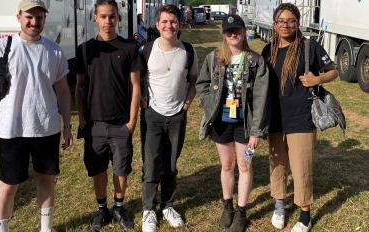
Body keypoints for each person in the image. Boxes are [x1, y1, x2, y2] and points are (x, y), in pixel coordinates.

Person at [0, 0, 73, 231]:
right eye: (29, 16)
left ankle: (46, 228)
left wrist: (67, 125)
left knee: (45, 179)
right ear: (18, 17)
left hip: (46, 127)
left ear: (44, 19)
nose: (34, 22)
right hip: (11, 129)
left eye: (39, 17)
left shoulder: (54, 50)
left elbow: (63, 90)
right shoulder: (0, 47)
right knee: (8, 184)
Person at [261, 3, 338, 232]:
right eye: (281, 21)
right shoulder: (269, 49)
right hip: (274, 119)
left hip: (302, 119)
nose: (286, 25)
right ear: (274, 24)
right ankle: (280, 205)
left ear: (298, 23)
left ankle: (305, 214)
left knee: (301, 166)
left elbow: (332, 70)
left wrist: (317, 80)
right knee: (277, 164)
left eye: (291, 21)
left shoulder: (309, 46)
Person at [196, 15, 269, 232]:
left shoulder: (255, 61)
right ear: (224, 34)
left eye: (237, 30)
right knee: (227, 166)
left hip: (245, 125)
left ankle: (241, 210)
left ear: (244, 31)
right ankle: (227, 205)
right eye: (229, 31)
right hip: (221, 122)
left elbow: (261, 98)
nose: (233, 34)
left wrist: (256, 131)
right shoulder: (214, 58)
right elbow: (202, 85)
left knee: (245, 165)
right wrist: (210, 105)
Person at [74, 0, 142, 230]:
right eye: (103, 16)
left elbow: (136, 86)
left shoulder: (129, 48)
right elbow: (80, 87)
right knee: (98, 169)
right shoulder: (84, 49)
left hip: (121, 123)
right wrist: (83, 120)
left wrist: (131, 121)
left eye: (112, 16)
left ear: (119, 18)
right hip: (94, 124)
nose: (107, 21)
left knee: (121, 168)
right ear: (95, 18)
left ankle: (119, 207)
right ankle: (102, 209)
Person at [139, 5, 198, 232]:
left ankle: (167, 205)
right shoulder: (146, 50)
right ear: (157, 24)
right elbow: (137, 79)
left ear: (179, 24)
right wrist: (142, 101)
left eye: (173, 22)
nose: (169, 26)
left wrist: (188, 101)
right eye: (164, 22)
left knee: (171, 164)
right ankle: (148, 210)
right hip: (152, 115)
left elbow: (193, 80)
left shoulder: (188, 51)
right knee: (151, 162)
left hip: (177, 116)